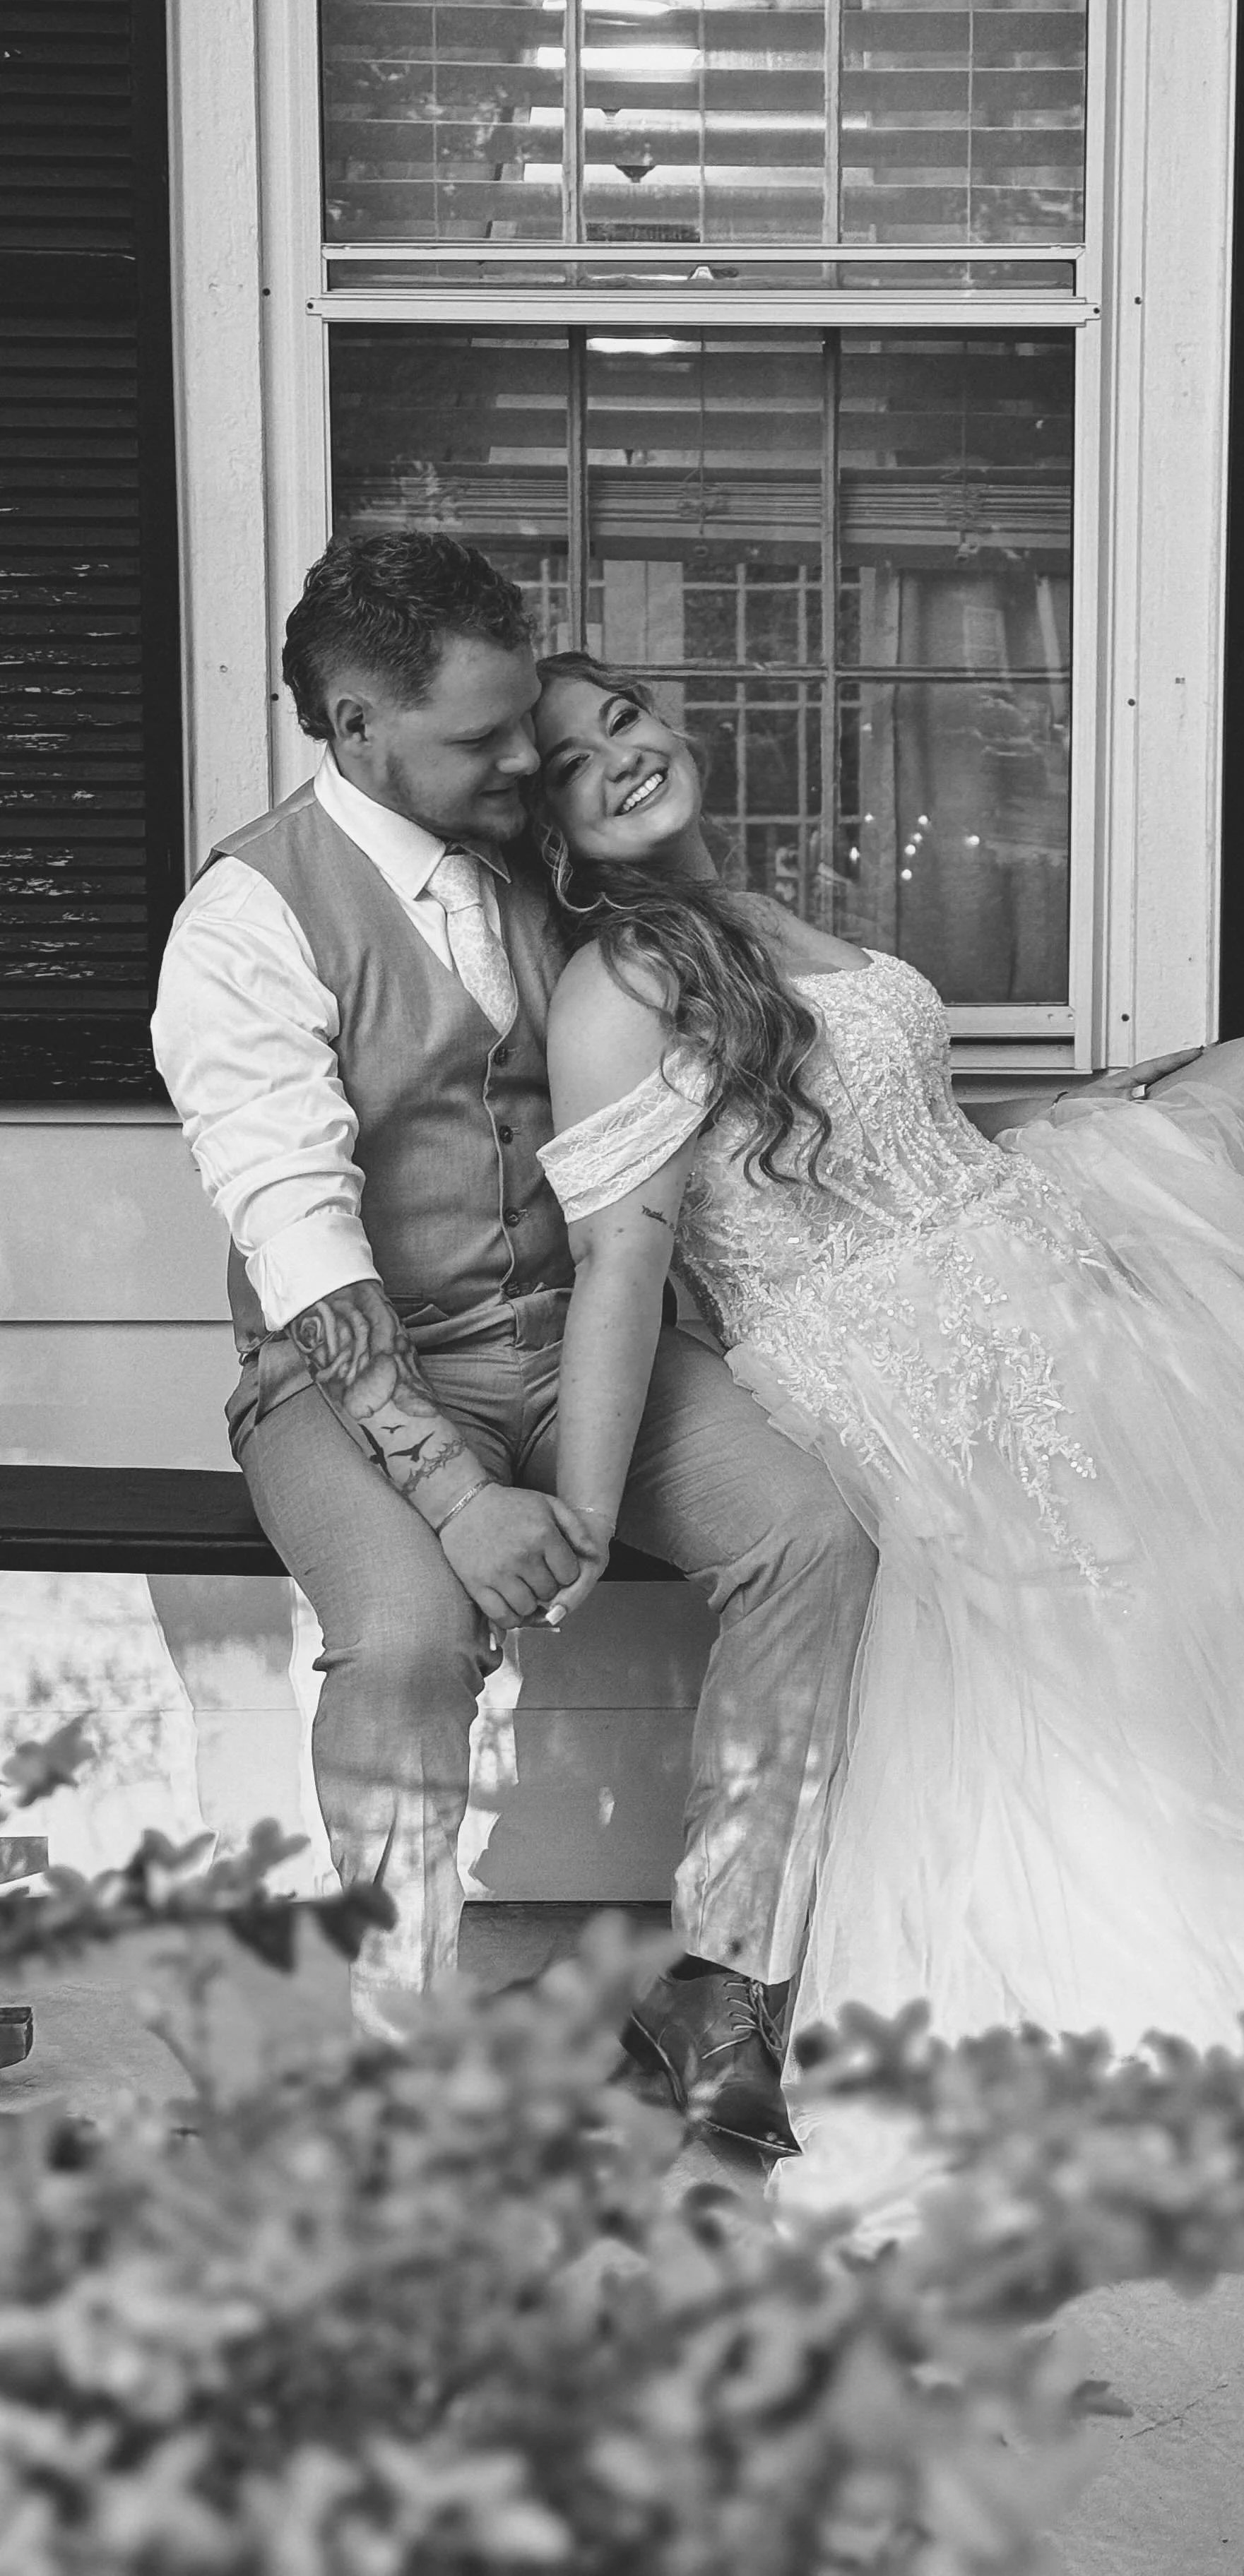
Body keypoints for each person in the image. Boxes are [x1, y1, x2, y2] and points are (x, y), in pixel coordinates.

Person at [529, 650, 1244, 2185]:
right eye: (574, 761)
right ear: (552, 831)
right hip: (891, 1343)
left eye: (622, 718)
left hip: (991, 1231)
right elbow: (624, 1261)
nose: (620, 756)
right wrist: (580, 1507)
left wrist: (1075, 1114)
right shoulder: (619, 983)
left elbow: (895, 1130)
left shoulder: (758, 912)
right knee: (1171, 1487)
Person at [152, 533, 883, 2153]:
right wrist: (456, 1494)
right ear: (356, 727)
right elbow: (298, 1239)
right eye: (481, 738)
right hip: (346, 1376)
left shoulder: (530, 860)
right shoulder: (246, 921)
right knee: (409, 1638)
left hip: (573, 1340)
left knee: (813, 1536)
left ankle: (723, 1986)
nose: (516, 763)